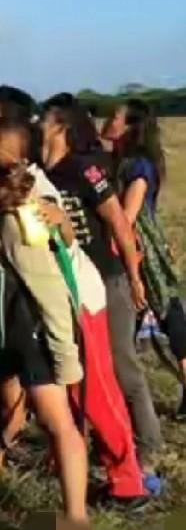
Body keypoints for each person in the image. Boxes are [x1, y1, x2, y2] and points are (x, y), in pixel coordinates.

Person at [0, 117, 90, 526]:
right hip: (21, 331)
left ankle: (76, 525)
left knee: (61, 426)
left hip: (38, 333)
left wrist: (64, 357)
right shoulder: (4, 203)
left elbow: (50, 289)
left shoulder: (19, 220)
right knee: (50, 420)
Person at [40, 94, 164, 491]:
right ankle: (101, 443)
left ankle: (147, 447)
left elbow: (118, 222)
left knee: (121, 367)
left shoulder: (87, 168)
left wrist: (134, 275)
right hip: (73, 284)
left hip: (107, 281)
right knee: (87, 372)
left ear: (60, 126)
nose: (39, 124)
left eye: (46, 118)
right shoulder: (45, 173)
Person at [109, 100, 186, 417]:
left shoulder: (138, 166)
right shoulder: (123, 161)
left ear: (129, 126)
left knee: (168, 316)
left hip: (142, 250)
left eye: (115, 116)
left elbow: (127, 217)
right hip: (137, 247)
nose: (109, 120)